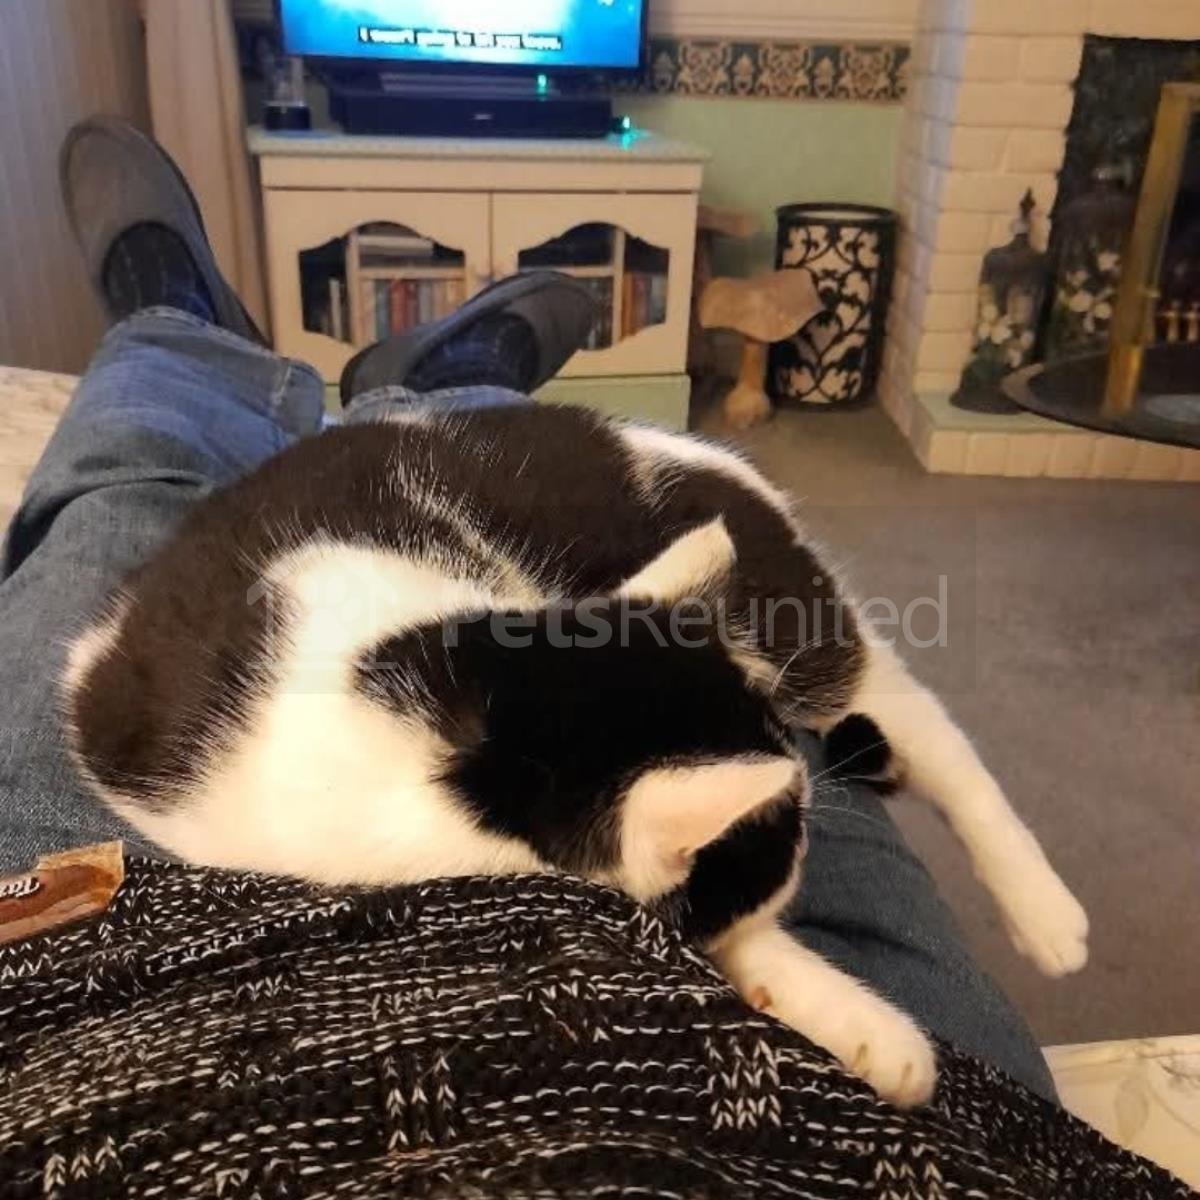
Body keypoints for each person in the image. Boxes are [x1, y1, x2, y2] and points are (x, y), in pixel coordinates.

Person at [0, 119, 1187, 1199]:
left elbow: (108, 671)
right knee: (769, 727)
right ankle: (415, 365)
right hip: (485, 673)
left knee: (121, 492)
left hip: (108, 1002)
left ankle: (172, 325)